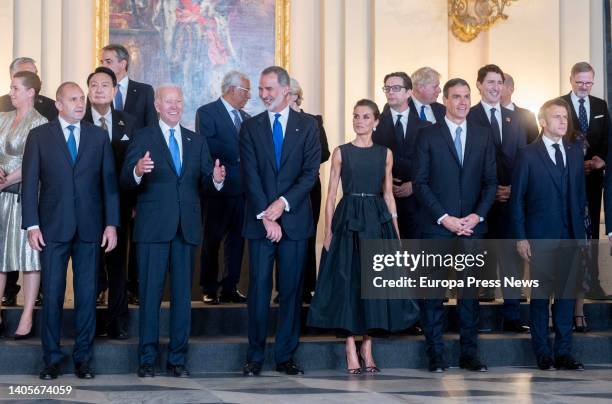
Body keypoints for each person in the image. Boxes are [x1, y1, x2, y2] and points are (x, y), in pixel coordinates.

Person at [120, 84, 225, 378]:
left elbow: (205, 183)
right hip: (152, 229)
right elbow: (126, 180)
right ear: (157, 105)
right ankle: (147, 359)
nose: (174, 106)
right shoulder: (143, 137)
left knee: (182, 299)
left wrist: (216, 179)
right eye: (168, 101)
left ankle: (178, 360)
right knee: (150, 296)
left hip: (186, 230)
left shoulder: (197, 141)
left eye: (178, 101)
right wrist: (138, 170)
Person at [307, 99, 419, 374]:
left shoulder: (385, 153)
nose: (359, 121)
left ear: (376, 121)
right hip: (348, 218)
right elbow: (331, 194)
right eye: (356, 116)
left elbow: (389, 195)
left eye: (366, 117)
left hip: (376, 218)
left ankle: (367, 346)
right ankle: (349, 347)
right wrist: (328, 231)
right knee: (348, 282)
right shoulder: (341, 152)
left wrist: (397, 231)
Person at [21, 82, 120, 380]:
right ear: (59, 104)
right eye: (74, 99)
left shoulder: (98, 136)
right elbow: (29, 184)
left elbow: (109, 185)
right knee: (51, 295)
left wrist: (111, 224)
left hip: (90, 228)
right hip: (52, 228)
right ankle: (51, 359)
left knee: (87, 296)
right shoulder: (39, 136)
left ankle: (83, 359)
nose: (80, 103)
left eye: (82, 98)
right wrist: (32, 225)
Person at [240, 66, 320, 376]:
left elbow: (309, 174)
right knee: (258, 291)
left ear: (286, 90)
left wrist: (281, 205)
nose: (263, 95)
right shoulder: (251, 127)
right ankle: (255, 356)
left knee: (291, 291)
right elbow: (251, 175)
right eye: (261, 89)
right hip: (261, 224)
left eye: (269, 89)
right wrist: (266, 215)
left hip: (295, 221)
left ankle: (285, 355)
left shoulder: (308, 126)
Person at [414, 78, 497, 372]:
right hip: (437, 227)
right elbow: (420, 183)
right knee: (433, 296)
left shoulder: (483, 135)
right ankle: (435, 355)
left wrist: (476, 216)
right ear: (445, 100)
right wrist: (445, 218)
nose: (462, 102)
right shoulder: (427, 135)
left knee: (469, 296)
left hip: (473, 227)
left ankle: (469, 355)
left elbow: (490, 183)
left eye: (466, 97)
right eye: (456, 97)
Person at [510, 98, 586, 371]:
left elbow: (579, 197)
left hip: (571, 236)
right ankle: (543, 353)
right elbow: (517, 199)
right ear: (542, 121)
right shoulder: (528, 154)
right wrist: (521, 236)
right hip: (539, 236)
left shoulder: (575, 151)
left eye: (565, 117)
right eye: (556, 117)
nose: (563, 121)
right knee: (541, 298)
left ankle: (563, 352)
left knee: (566, 298)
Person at [467, 64, 529, 332]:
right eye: (490, 82)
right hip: (477, 201)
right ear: (479, 85)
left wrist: (514, 188)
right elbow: (466, 161)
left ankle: (512, 316)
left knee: (511, 260)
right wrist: (491, 191)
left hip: (509, 200)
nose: (495, 87)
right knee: (476, 259)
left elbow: (524, 158)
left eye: (499, 82)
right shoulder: (468, 115)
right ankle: (474, 318)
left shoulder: (515, 117)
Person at [101, 44, 157, 305]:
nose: (104, 63)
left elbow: (149, 137)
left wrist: (138, 183)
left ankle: (132, 288)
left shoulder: (144, 92)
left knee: (133, 239)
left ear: (123, 63)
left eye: (109, 60)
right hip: (103, 179)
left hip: (134, 177)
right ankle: (103, 287)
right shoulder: (98, 91)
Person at [83, 66, 137, 339]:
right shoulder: (79, 121)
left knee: (118, 263)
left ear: (115, 90)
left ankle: (118, 320)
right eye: (94, 85)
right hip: (86, 205)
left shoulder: (130, 122)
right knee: (90, 264)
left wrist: (136, 202)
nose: (99, 89)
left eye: (105, 85)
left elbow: (136, 166)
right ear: (88, 91)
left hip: (120, 203)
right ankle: (90, 322)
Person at [0, 57, 57, 309]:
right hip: (2, 195)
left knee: (28, 254)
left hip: (24, 196)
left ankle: (27, 315)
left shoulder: (40, 123)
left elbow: (34, 164)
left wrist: (5, 181)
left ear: (30, 92)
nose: (10, 92)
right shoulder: (1, 117)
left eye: (15, 88)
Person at [196, 71, 250, 305]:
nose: (248, 96)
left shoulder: (247, 117)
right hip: (217, 187)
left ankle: (231, 286)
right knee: (212, 240)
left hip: (243, 190)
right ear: (232, 89)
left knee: (237, 242)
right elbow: (208, 144)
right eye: (246, 91)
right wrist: (240, 151)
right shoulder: (207, 112)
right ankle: (209, 287)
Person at [560, 62, 609, 311]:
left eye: (588, 82)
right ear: (570, 80)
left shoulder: (600, 105)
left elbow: (607, 139)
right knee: (572, 231)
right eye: (580, 82)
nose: (584, 87)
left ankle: (594, 283)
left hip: (594, 181)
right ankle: (568, 284)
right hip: (567, 181)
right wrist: (579, 163)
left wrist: (601, 160)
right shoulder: (558, 104)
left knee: (591, 235)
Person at [287, 78, 330, 304]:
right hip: (283, 189)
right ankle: (286, 288)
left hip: (309, 187)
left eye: (289, 93)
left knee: (307, 234)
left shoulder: (314, 121)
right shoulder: (277, 121)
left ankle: (306, 288)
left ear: (296, 95)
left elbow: (324, 152)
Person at [373, 72, 430, 239]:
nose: (390, 92)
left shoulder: (425, 127)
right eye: (387, 88)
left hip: (416, 201)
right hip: (382, 200)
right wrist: (387, 184)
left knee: (413, 258)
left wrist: (414, 184)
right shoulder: (373, 124)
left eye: (396, 88)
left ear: (409, 93)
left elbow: (431, 164)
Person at [500, 73, 539, 143]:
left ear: (511, 89)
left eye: (499, 84)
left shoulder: (528, 116)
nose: (494, 89)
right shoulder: (484, 114)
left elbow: (534, 146)